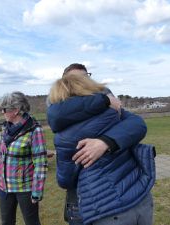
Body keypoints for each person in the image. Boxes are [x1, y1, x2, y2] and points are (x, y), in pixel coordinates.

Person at [47, 67, 155, 225]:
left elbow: (65, 180)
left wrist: (105, 142)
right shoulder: (113, 112)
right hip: (139, 193)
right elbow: (137, 124)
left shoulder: (64, 138)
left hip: (106, 207)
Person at [0, 91, 48, 225]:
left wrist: (37, 191)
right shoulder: (6, 128)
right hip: (5, 187)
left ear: (16, 110)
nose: (2, 112)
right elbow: (0, 154)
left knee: (31, 222)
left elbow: (41, 164)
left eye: (4, 109)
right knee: (6, 222)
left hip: (25, 188)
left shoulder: (34, 130)